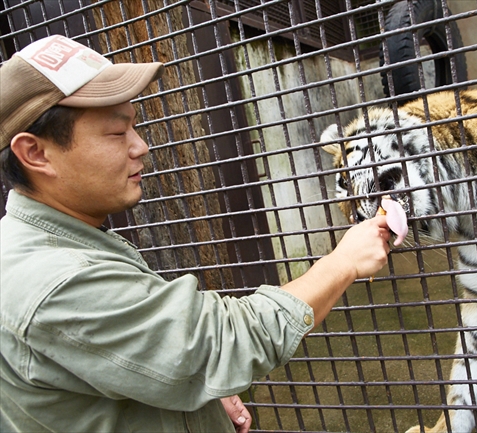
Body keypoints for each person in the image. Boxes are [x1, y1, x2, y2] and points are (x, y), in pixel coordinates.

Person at [0, 35, 390, 433]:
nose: (141, 146)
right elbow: (225, 340)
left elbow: (117, 361)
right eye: (117, 133)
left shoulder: (43, 241)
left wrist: (195, 392)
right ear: (35, 153)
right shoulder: (56, 280)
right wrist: (342, 262)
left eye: (134, 126)